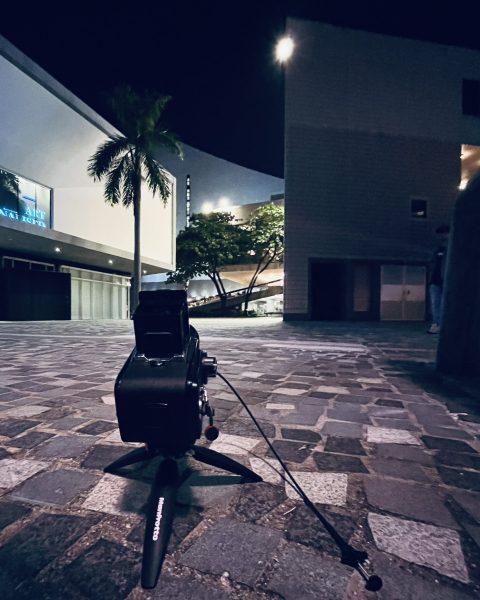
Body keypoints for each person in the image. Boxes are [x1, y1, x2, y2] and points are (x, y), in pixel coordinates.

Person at [427, 224, 450, 333]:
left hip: (444, 280)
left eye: (443, 235)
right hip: (435, 281)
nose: (441, 237)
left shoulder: (451, 250)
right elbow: (432, 263)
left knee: (442, 304)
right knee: (435, 304)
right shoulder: (437, 250)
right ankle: (437, 324)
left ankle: (441, 324)